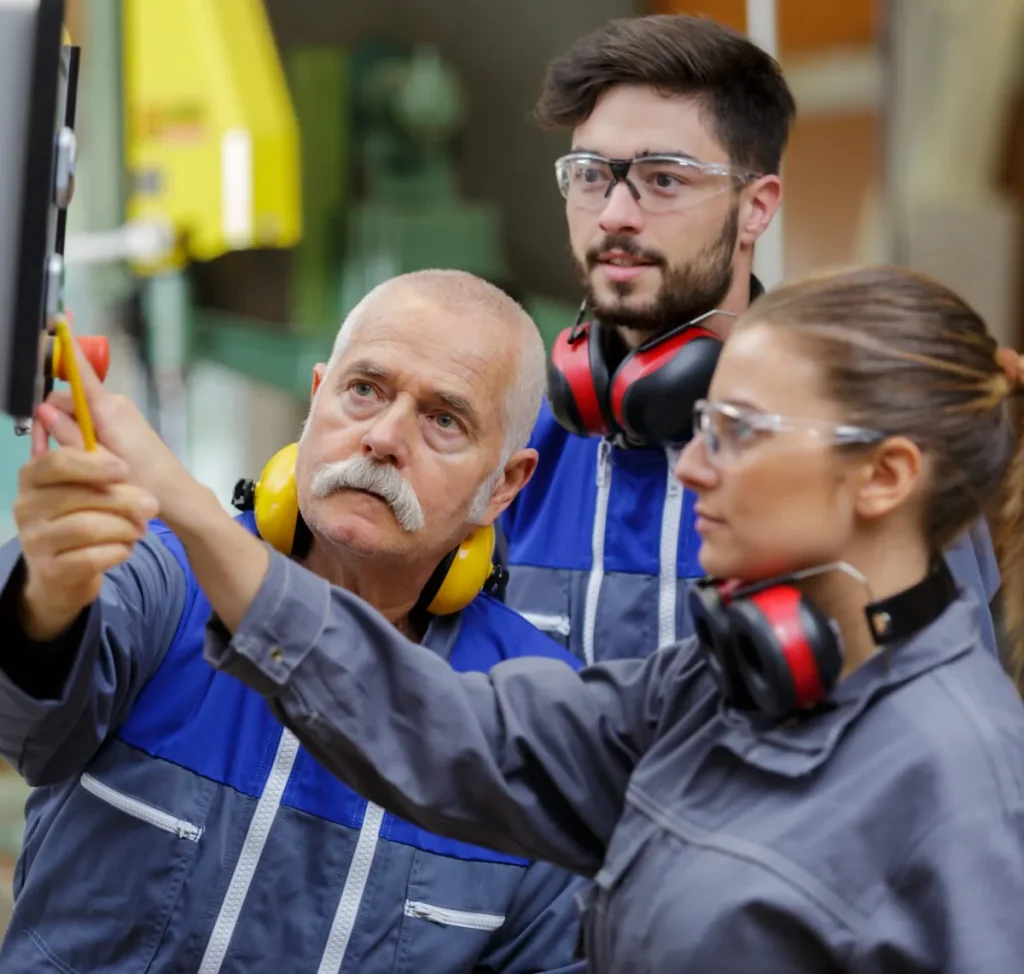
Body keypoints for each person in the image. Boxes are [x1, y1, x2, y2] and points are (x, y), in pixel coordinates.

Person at [43, 265, 1024, 971]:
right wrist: (179, 503)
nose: (689, 466)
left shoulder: (963, 784)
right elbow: (449, 730)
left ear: (885, 475)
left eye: (738, 433)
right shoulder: (712, 687)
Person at [0, 270, 588, 973]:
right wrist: (48, 594)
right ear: (317, 399)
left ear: (507, 485)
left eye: (444, 419)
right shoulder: (159, 574)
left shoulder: (533, 711)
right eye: (364, 390)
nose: (383, 438)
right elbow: (21, 723)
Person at [498, 13, 1004, 665]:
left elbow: (937, 736)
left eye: (664, 178)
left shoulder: (865, 461)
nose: (616, 215)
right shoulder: (517, 452)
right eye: (592, 175)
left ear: (757, 206)